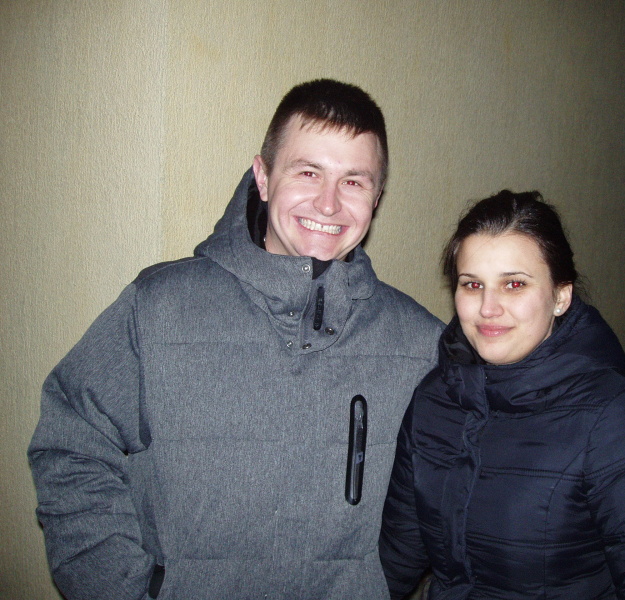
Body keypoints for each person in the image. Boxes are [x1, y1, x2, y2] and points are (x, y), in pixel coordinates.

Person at [29, 79, 443, 600]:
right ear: (263, 177)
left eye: (354, 181)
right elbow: (73, 446)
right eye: (308, 172)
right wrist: (124, 588)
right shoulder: (159, 309)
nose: (328, 203)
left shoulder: (421, 344)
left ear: (376, 198)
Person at [379, 190, 625, 599]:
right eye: (472, 284)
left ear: (560, 296)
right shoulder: (434, 400)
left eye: (514, 284)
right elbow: (398, 554)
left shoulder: (610, 415)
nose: (488, 307)